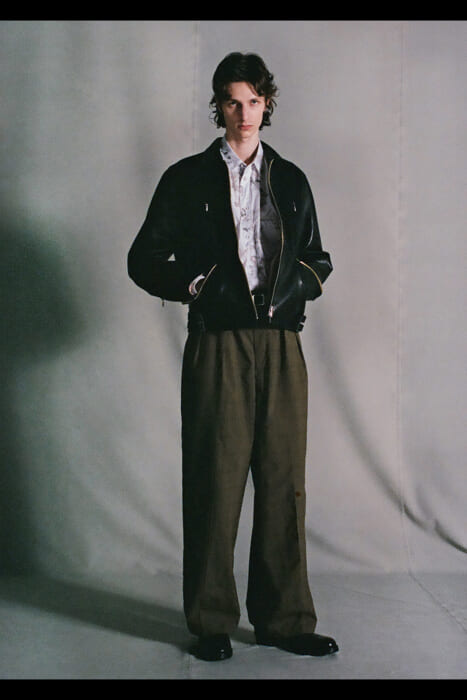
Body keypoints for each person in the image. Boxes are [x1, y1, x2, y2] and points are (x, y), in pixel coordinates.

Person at [127, 52, 338, 662]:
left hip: (282, 347)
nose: (244, 114)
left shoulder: (291, 180)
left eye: (253, 101)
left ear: (267, 105)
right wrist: (197, 285)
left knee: (283, 483)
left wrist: (296, 289)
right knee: (214, 481)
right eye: (231, 101)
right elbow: (144, 259)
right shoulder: (187, 178)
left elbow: (318, 259)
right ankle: (212, 620)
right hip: (217, 344)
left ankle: (285, 619)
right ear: (218, 106)